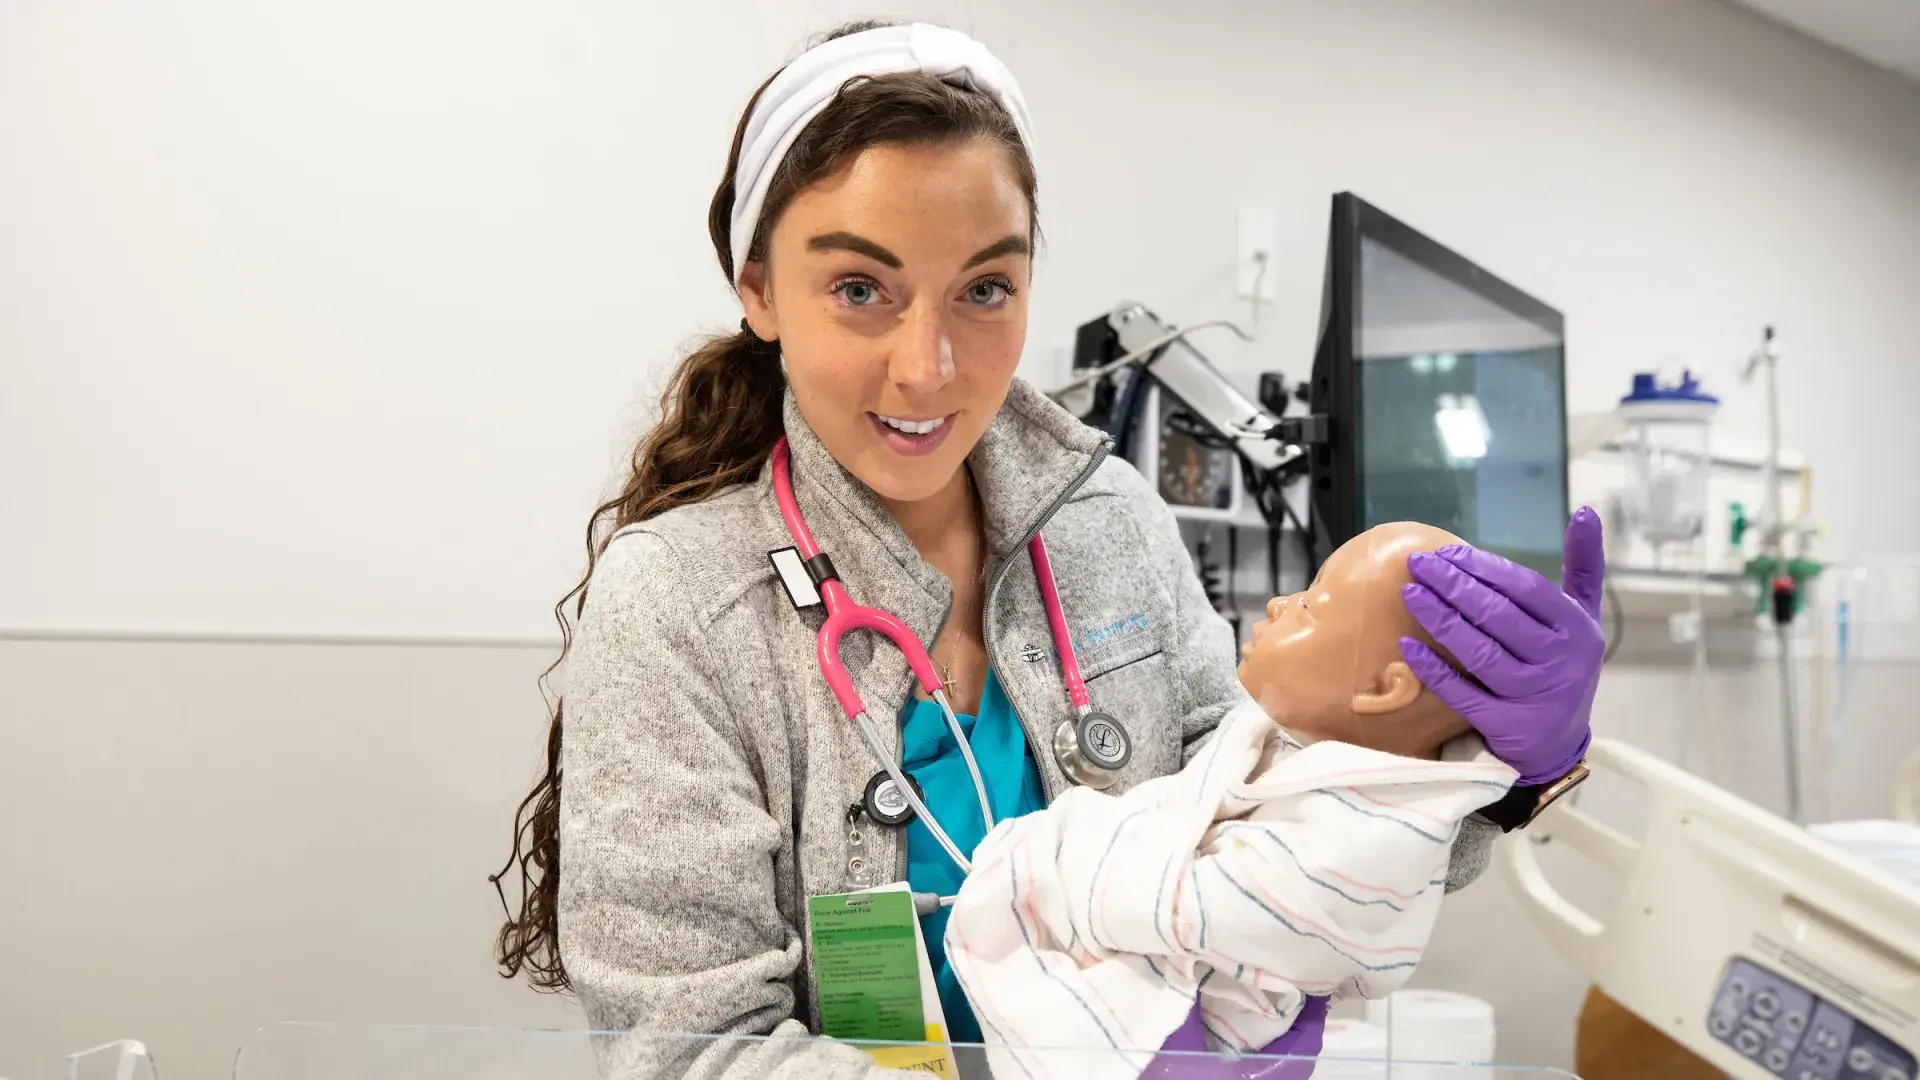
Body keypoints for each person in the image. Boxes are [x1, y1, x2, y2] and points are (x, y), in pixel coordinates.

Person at [489, 20, 1606, 1080]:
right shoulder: (679, 605)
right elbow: (693, 1053)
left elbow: (1301, 843)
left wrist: (1470, 763)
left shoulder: (1112, 523)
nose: (928, 368)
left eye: (985, 289)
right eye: (859, 289)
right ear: (758, 289)